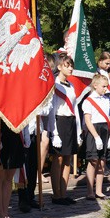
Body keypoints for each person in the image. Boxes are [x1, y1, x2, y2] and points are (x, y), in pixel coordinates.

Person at [49, 53, 79, 205]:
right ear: (59, 67)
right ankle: (56, 194)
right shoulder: (54, 84)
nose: (71, 68)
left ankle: (63, 192)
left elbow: (74, 108)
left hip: (70, 121)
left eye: (71, 65)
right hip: (59, 121)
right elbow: (52, 109)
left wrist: (78, 130)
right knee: (58, 158)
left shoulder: (71, 85)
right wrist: (54, 133)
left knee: (68, 158)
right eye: (67, 65)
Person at [83, 74, 110, 199]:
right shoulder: (88, 101)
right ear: (95, 85)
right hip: (94, 131)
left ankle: (99, 190)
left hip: (105, 130)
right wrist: (96, 137)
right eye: (103, 86)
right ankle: (90, 191)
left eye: (106, 86)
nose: (105, 89)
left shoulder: (107, 100)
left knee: (102, 161)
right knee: (93, 161)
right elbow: (88, 120)